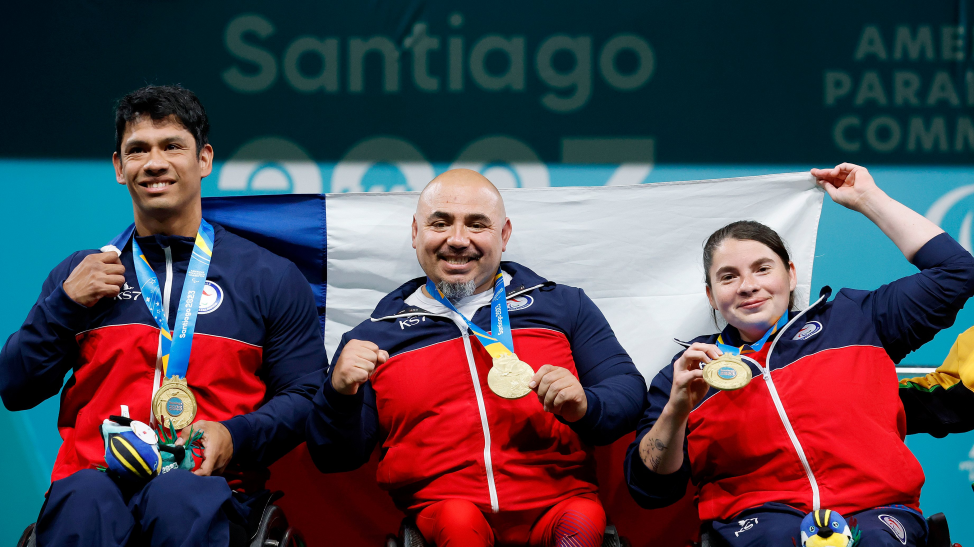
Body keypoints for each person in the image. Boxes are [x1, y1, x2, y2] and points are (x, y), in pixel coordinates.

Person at [0, 85, 327, 546]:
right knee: (85, 497)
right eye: (138, 150)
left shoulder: (269, 277)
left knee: (178, 496)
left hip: (214, 489)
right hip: (91, 483)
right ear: (119, 167)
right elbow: (15, 387)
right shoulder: (79, 276)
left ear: (205, 159)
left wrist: (235, 436)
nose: (154, 162)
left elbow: (307, 396)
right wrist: (64, 306)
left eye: (172, 145)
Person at [625, 163, 974, 547]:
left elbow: (956, 272)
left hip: (877, 511)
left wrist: (868, 200)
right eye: (728, 277)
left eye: (762, 269)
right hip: (758, 520)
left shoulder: (854, 320)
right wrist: (676, 410)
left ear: (791, 275)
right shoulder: (687, 373)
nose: (748, 286)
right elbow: (651, 488)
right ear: (711, 295)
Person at [307, 169, 646, 547]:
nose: (457, 239)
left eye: (477, 224)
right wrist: (338, 395)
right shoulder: (373, 335)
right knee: (458, 522)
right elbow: (333, 456)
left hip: (562, 501)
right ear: (416, 233)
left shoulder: (564, 306)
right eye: (440, 223)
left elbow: (628, 393)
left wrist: (586, 404)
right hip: (448, 512)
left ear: (503, 235)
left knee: (582, 524)